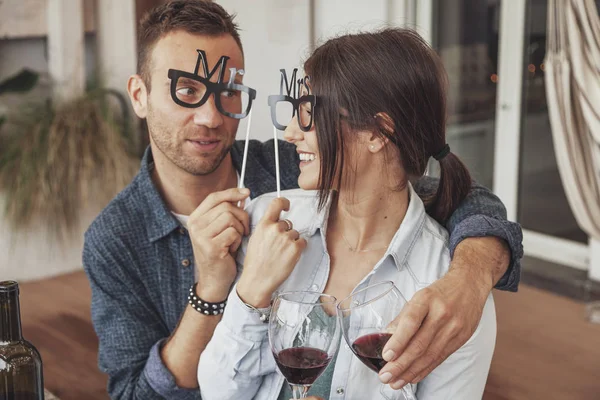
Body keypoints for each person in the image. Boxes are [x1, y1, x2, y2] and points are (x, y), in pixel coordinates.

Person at [82, 1, 522, 399]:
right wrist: (216, 290)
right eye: (188, 91)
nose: (211, 117)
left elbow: (434, 187)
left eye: (228, 92)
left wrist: (471, 274)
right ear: (139, 95)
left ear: (377, 132)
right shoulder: (115, 239)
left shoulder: (286, 175)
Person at [197, 28, 499, 400]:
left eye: (308, 114)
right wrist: (251, 293)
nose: (290, 132)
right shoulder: (270, 223)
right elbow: (217, 392)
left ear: (377, 132)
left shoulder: (449, 294)